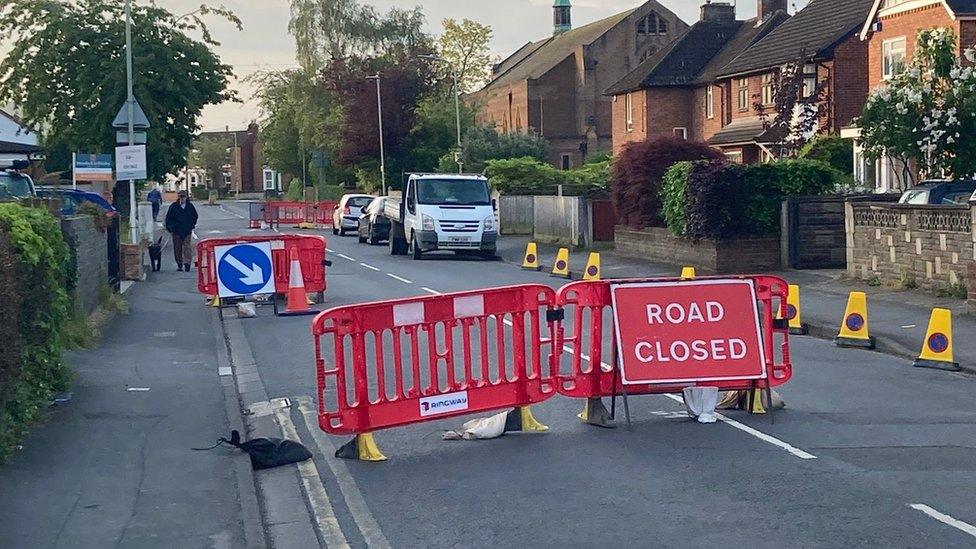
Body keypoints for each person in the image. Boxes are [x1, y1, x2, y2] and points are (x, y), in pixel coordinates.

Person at [164, 190, 198, 271]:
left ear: (186, 197)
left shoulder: (190, 206)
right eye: (180, 196)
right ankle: (179, 264)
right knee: (177, 248)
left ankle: (187, 263)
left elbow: (195, 216)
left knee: (187, 247)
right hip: (176, 231)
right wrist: (170, 227)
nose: (181, 198)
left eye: (183, 196)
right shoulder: (173, 206)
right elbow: (168, 218)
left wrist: (191, 225)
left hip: (187, 230)